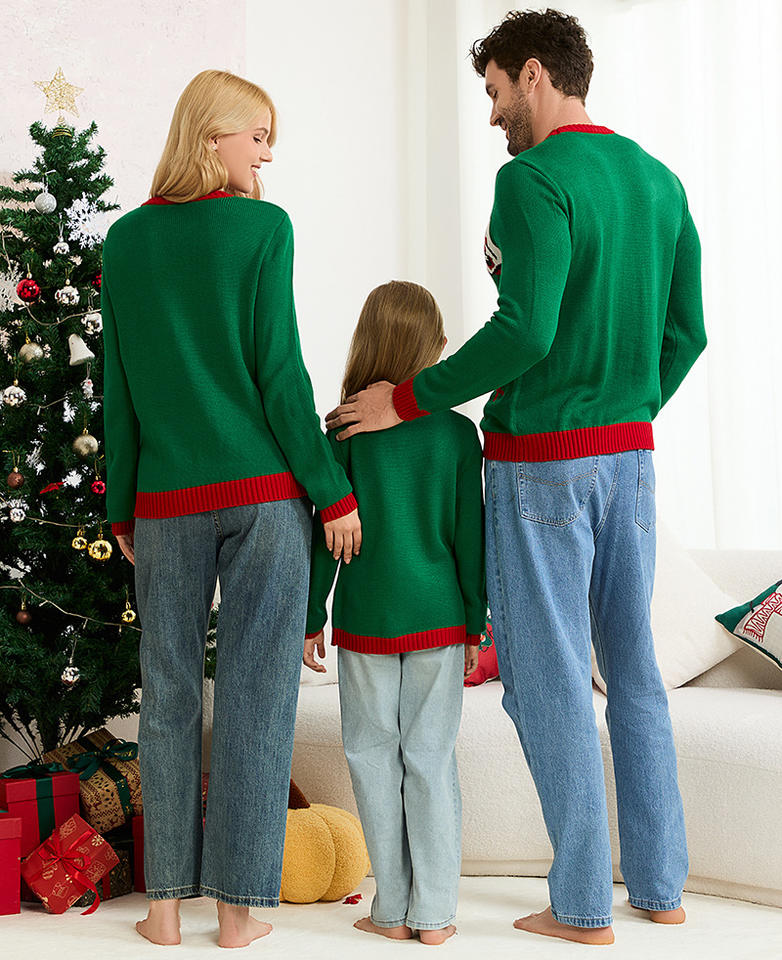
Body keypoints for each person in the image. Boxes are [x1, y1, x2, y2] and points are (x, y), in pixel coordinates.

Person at [325, 9, 706, 947]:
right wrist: (625, 407)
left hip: (544, 468)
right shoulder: (658, 180)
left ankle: (580, 907)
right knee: (635, 674)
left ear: (534, 73)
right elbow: (687, 332)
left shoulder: (530, 179)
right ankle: (661, 887)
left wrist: (409, 398)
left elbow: (525, 330)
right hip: (630, 463)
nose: (493, 113)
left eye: (495, 91)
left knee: (547, 684)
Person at [101, 69, 361, 948]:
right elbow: (280, 374)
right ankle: (240, 914)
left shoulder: (126, 241)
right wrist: (331, 490)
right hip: (263, 499)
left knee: (168, 695)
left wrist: (122, 510)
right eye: (259, 137)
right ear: (214, 136)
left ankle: (164, 911)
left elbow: (118, 389)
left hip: (164, 502)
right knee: (256, 700)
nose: (267, 155)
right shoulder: (263, 228)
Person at [303, 281, 486, 945]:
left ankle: (392, 912)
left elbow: (326, 531)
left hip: (365, 623)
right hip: (439, 620)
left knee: (373, 757)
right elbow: (471, 538)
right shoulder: (459, 434)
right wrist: (475, 622)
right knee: (430, 760)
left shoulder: (342, 432)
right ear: (430, 348)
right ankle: (435, 917)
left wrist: (311, 614)